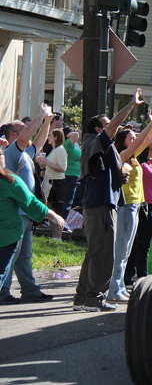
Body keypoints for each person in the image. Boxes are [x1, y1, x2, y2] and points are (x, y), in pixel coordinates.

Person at [74, 89, 144, 312]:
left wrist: (118, 176)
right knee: (104, 255)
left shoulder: (101, 146)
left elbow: (103, 169)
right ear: (98, 129)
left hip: (100, 203)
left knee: (94, 253)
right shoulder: (96, 140)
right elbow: (114, 125)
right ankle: (94, 297)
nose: (113, 127)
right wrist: (131, 105)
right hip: (100, 205)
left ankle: (82, 297)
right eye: (107, 124)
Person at [107, 106, 152, 303]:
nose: (135, 139)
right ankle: (114, 287)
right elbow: (143, 140)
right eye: (131, 138)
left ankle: (119, 286)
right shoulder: (120, 157)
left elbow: (148, 142)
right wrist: (151, 123)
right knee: (121, 248)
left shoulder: (134, 159)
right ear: (122, 141)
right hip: (125, 206)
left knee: (126, 250)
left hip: (135, 205)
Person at [0, 104, 56, 305]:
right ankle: (3, 292)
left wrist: (47, 121)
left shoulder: (24, 153)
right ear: (13, 135)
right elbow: (26, 138)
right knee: (10, 257)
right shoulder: (11, 152)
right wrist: (40, 115)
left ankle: (30, 290)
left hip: (26, 213)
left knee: (24, 257)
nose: (28, 131)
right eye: (23, 129)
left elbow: (38, 143)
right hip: (17, 214)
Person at [0, 147, 64, 292]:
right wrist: (53, 215)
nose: (3, 156)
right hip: (6, 237)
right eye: (1, 153)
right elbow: (31, 203)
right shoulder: (10, 181)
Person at [126, 140, 152, 285]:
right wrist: (139, 136)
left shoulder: (149, 165)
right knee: (140, 244)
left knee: (142, 243)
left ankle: (133, 275)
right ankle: (139, 276)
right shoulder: (138, 162)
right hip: (144, 206)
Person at [37, 129, 68, 241]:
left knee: (57, 210)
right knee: (50, 209)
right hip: (49, 182)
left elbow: (62, 168)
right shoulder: (54, 150)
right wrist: (42, 165)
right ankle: (54, 236)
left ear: (56, 137)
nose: (48, 137)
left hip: (57, 183)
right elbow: (49, 166)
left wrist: (46, 163)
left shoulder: (60, 150)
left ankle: (58, 237)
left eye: (50, 135)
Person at [61, 127, 81, 215]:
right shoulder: (67, 144)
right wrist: (70, 133)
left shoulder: (72, 145)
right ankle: (63, 222)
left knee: (68, 200)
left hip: (73, 175)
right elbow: (77, 135)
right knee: (68, 201)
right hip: (71, 175)